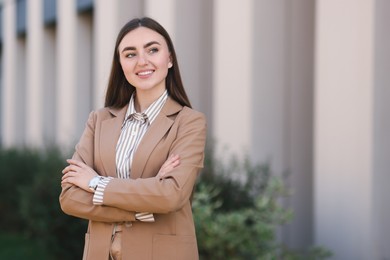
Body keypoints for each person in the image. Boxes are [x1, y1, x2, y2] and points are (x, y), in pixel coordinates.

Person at [59, 17, 206, 260]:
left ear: (169, 59)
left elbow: (171, 195)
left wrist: (96, 183)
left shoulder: (189, 122)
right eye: (130, 54)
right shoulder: (99, 120)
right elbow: (70, 198)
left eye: (153, 50)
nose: (142, 61)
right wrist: (142, 208)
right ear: (120, 64)